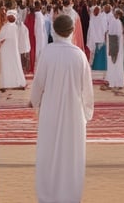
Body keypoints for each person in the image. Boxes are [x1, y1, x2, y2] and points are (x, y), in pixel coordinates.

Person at [30, 14, 94, 203]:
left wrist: (34, 103)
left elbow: (38, 84)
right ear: (72, 31)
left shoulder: (47, 53)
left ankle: (48, 196)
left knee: (49, 153)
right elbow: (87, 91)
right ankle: (70, 196)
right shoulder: (79, 55)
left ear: (54, 31)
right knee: (71, 155)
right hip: (74, 114)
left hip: (50, 110)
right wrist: (86, 114)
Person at [0, 9, 26, 90]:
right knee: (7, 65)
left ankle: (16, 82)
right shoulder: (7, 27)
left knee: (14, 64)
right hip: (6, 49)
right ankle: (6, 84)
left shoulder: (17, 27)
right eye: (10, 16)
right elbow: (0, 38)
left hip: (12, 49)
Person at [103, 8, 124, 95]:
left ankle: (114, 82)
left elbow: (113, 35)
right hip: (117, 46)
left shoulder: (115, 22)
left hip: (114, 47)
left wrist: (107, 35)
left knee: (114, 64)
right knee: (117, 64)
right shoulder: (118, 22)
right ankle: (117, 82)